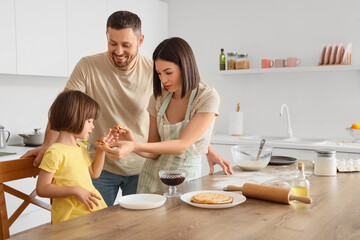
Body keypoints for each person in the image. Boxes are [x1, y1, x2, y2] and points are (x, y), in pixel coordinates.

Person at [23, 11, 233, 207]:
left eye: (126, 44)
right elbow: (63, 106)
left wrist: (208, 149)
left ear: (140, 41)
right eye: (112, 43)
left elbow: (187, 125)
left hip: (143, 167)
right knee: (96, 225)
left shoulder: (157, 73)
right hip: (101, 166)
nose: (119, 51)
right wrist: (48, 145)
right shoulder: (89, 66)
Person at [103, 37, 221, 193]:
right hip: (151, 177)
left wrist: (135, 145)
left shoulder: (207, 97)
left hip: (184, 181)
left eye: (168, 72)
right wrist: (132, 143)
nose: (163, 80)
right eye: (159, 73)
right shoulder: (158, 98)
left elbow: (182, 145)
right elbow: (154, 152)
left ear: (185, 66)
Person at [36, 90, 111, 224]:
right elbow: (42, 188)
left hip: (91, 213)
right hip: (70, 219)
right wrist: (75, 190)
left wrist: (101, 151)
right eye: (89, 121)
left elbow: (94, 173)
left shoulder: (80, 147)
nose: (92, 126)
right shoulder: (55, 152)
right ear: (73, 117)